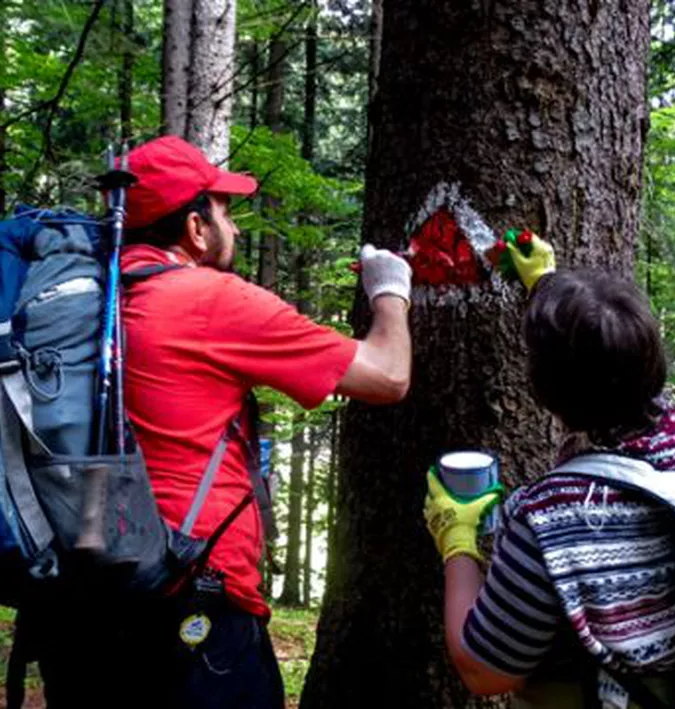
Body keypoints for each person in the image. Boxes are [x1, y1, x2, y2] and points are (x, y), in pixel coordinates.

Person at [32, 135, 413, 708]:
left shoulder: (80, 303)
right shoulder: (210, 301)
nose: (233, 227)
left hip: (76, 607)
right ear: (195, 228)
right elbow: (387, 376)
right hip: (190, 608)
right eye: (225, 211)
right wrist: (390, 292)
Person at [424, 237, 675, 708]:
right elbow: (612, 365)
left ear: (545, 387)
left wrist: (457, 542)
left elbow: (484, 671)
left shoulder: (552, 516)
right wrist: (548, 290)